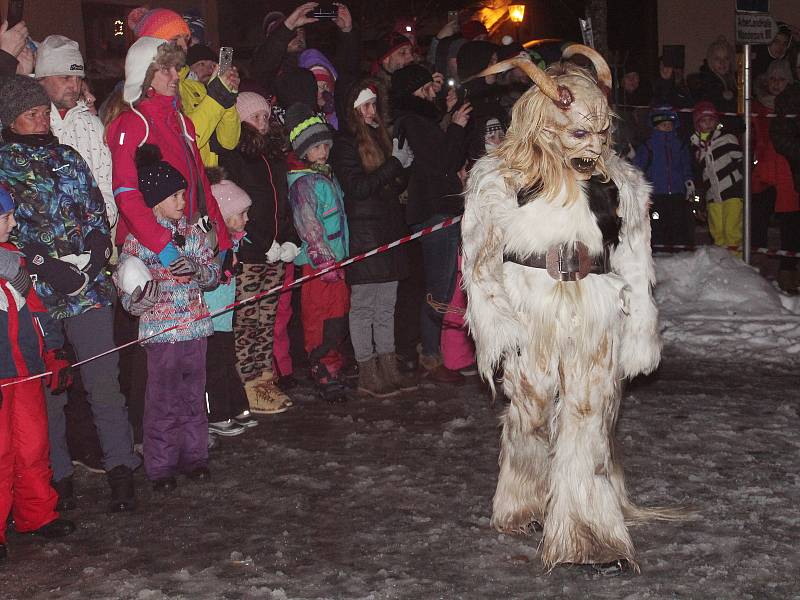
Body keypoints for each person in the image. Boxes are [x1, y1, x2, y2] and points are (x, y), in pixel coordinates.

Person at [461, 48, 664, 574]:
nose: (594, 148)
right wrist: (494, 324)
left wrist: (641, 325)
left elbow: (634, 256)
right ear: (546, 126)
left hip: (595, 309)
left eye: (600, 135)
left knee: (586, 415)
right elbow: (479, 258)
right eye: (580, 135)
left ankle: (587, 532)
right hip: (530, 307)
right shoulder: (500, 177)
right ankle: (523, 497)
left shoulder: (619, 182)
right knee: (528, 412)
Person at [0, 75, 140, 513]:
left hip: (89, 292)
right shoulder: (3, 165)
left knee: (104, 383)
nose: (42, 120)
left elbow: (96, 208)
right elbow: (11, 230)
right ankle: (57, 479)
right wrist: (47, 266)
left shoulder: (68, 156)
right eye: (31, 115)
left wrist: (99, 250)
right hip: (38, 296)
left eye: (44, 112)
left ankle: (121, 469)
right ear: (10, 120)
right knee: (50, 393)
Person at [114, 145, 219, 491]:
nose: (181, 201)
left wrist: (200, 269)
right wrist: (139, 300)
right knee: (162, 401)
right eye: (173, 195)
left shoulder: (193, 235)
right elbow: (127, 288)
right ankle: (160, 466)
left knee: (194, 394)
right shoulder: (139, 241)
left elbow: (213, 274)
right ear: (154, 202)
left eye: (182, 194)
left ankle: (195, 456)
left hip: (196, 328)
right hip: (161, 335)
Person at [106, 36, 231, 266]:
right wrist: (162, 245)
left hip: (188, 237)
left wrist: (222, 240)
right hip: (149, 246)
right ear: (145, 76)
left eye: (176, 67)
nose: (176, 75)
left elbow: (202, 186)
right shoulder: (133, 124)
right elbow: (125, 193)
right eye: (166, 69)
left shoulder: (181, 123)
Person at [0, 187, 76, 564]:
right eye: (5, 217)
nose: (13, 223)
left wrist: (54, 351)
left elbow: (37, 311)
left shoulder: (15, 263)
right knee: (0, 452)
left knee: (32, 445)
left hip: (25, 371)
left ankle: (36, 514)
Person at [331, 79, 417, 397]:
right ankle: (368, 371)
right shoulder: (344, 144)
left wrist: (402, 166)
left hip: (389, 231)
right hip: (365, 236)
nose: (371, 111)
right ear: (352, 111)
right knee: (364, 306)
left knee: (387, 306)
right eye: (365, 106)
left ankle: (389, 367)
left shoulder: (380, 137)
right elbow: (358, 188)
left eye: (373, 105)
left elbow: (390, 187)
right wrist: (394, 163)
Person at [390, 63, 471, 383]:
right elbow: (441, 162)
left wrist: (450, 119)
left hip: (442, 210)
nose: (431, 93)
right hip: (433, 212)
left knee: (444, 285)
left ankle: (435, 352)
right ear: (412, 93)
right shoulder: (412, 121)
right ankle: (431, 356)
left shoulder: (422, 120)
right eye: (425, 90)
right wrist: (457, 126)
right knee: (439, 287)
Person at [218, 92, 297, 413]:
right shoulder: (235, 158)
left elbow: (283, 202)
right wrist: (262, 243)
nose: (262, 123)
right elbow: (236, 211)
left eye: (265, 116)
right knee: (247, 321)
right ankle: (247, 383)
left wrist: (290, 238)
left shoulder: (274, 155)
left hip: (276, 252)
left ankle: (264, 377)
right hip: (251, 255)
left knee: (267, 320)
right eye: (255, 117)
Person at [284, 103, 350, 403]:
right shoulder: (304, 183)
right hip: (319, 267)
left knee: (336, 317)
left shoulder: (326, 176)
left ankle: (334, 366)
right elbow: (309, 225)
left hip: (337, 262)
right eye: (316, 147)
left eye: (325, 145)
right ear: (303, 151)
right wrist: (323, 259)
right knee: (319, 320)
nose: (322, 151)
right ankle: (321, 368)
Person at [35, 35, 118, 229]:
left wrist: (100, 224)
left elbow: (106, 184)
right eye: (65, 77)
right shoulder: (29, 125)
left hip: (93, 236)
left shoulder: (92, 125)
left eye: (78, 78)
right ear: (42, 79)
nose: (74, 86)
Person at [203, 176, 262, 438]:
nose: (246, 219)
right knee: (214, 365)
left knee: (227, 360)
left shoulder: (233, 244)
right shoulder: (213, 244)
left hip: (225, 317)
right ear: (224, 214)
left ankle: (236, 405)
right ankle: (216, 413)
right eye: (242, 214)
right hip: (210, 318)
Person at [634, 105, 695, 248]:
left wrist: (688, 180)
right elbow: (639, 167)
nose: (667, 127)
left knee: (678, 221)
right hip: (656, 192)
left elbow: (686, 164)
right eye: (663, 125)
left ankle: (679, 248)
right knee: (657, 221)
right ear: (655, 126)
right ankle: (658, 248)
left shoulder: (679, 145)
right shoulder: (648, 146)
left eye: (670, 124)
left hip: (677, 191)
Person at [689, 101, 744, 252]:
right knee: (717, 232)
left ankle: (736, 265)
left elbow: (741, 161)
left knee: (732, 230)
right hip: (712, 195)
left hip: (731, 191)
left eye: (711, 120)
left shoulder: (727, 138)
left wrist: (742, 184)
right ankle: (721, 265)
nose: (708, 124)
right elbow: (699, 176)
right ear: (697, 124)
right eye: (703, 121)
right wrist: (700, 201)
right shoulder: (696, 146)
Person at [751, 60, 793, 253]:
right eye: (773, 79)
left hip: (786, 169)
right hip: (763, 169)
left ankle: (788, 268)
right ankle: (755, 263)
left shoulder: (792, 105)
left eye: (781, 79)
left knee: (789, 221)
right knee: (758, 218)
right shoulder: (757, 107)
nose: (776, 83)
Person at [769, 82, 800, 294]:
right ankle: (788, 272)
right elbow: (780, 136)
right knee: (791, 223)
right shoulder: (789, 96)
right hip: (791, 168)